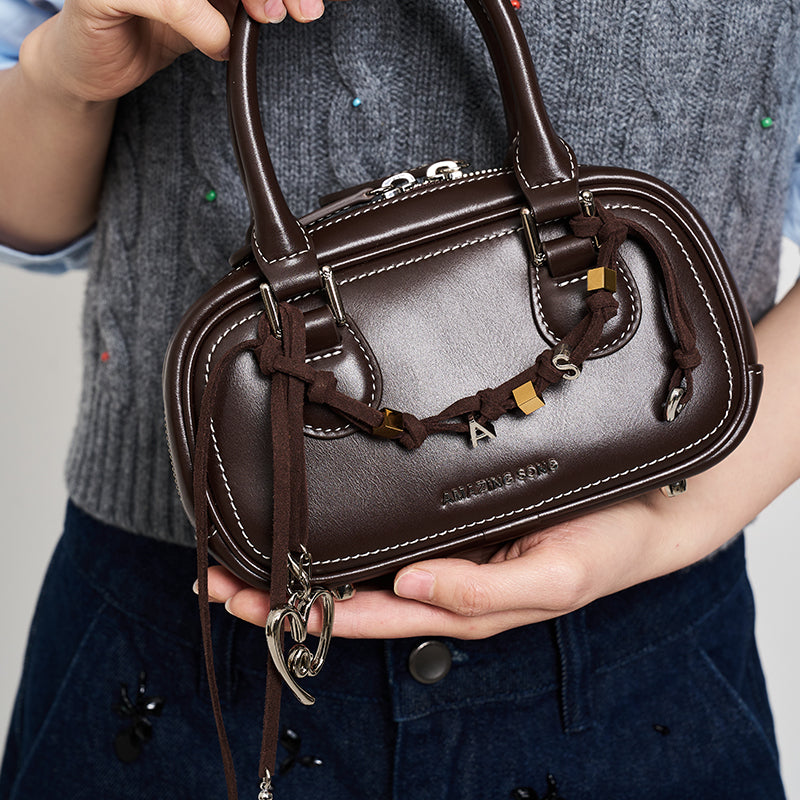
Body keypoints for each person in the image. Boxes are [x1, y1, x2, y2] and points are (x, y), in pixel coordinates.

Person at [1, 0, 799, 797]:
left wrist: (673, 523)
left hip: (650, 644)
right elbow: (29, 214)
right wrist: (63, 74)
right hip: (177, 630)